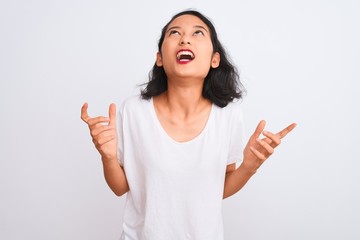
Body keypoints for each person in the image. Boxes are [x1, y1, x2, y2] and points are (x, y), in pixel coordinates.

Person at [81, 10, 296, 240]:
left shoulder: (228, 115)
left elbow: (216, 190)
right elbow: (120, 187)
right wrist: (108, 157)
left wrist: (250, 167)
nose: (185, 39)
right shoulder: (134, 111)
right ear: (160, 58)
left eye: (198, 33)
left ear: (215, 59)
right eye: (174, 33)